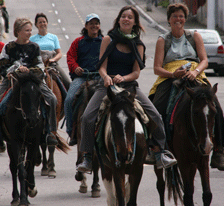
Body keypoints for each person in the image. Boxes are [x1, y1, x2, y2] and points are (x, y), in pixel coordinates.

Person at [76, 6, 177, 173]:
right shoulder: (108, 39)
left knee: (155, 115)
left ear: (135, 22)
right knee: (87, 117)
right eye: (123, 16)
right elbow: (101, 66)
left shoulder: (138, 44)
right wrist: (106, 77)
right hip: (107, 86)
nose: (126, 19)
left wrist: (123, 78)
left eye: (130, 17)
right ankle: (87, 157)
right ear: (119, 19)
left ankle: (160, 153)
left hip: (129, 87)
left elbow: (136, 72)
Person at [149, 3, 224, 171]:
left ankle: (218, 151)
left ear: (185, 19)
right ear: (169, 20)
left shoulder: (194, 36)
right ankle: (156, 149)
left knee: (215, 105)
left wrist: (195, 72)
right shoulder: (162, 40)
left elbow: (204, 60)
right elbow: (157, 68)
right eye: (174, 16)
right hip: (171, 75)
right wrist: (173, 75)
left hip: (195, 73)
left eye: (181, 16)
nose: (178, 19)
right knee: (156, 106)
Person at [0, 17, 60, 147]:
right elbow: (2, 66)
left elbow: (40, 66)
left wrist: (29, 71)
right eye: (27, 30)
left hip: (33, 80)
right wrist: (16, 68)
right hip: (12, 80)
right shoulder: (9, 47)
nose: (30, 33)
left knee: (52, 99)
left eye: (30, 30)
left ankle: (50, 132)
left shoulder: (35, 47)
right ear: (18, 31)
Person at [64, 13, 103, 146]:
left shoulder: (105, 41)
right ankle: (71, 131)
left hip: (100, 77)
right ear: (86, 26)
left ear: (99, 26)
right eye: (91, 23)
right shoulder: (78, 42)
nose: (94, 25)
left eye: (96, 23)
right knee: (69, 99)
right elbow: (70, 57)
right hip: (82, 78)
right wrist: (75, 68)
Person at [30, 13, 70, 90]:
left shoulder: (53, 37)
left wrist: (53, 60)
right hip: (38, 65)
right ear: (36, 25)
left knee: (67, 83)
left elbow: (59, 53)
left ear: (47, 23)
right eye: (40, 22)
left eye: (44, 22)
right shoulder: (32, 39)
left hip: (52, 64)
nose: (42, 24)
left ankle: (68, 101)